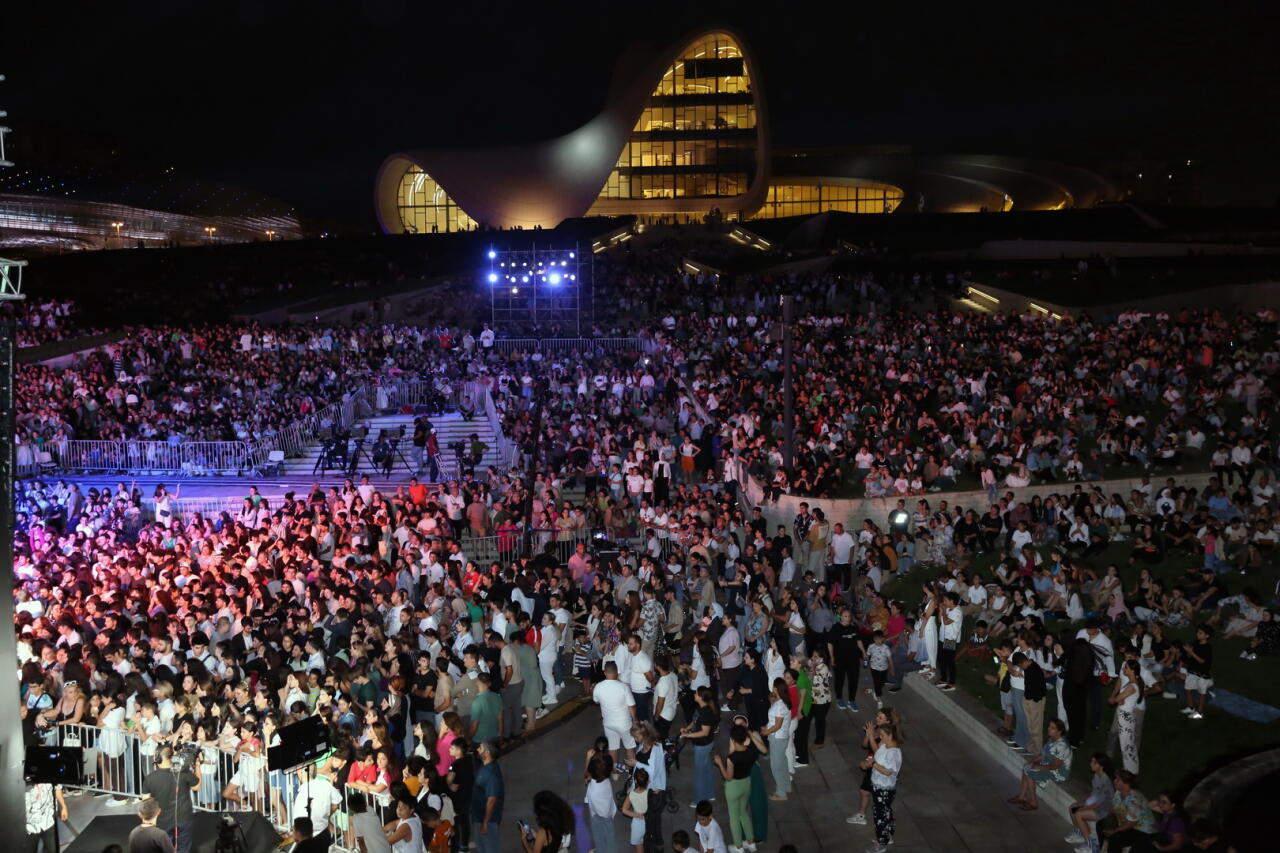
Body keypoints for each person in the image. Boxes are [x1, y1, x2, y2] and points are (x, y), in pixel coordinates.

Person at [713, 725, 766, 853]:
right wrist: (752, 735)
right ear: (745, 738)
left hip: (733, 787)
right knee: (744, 813)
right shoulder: (752, 752)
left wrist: (720, 763)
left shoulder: (732, 758)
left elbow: (728, 777)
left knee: (734, 817)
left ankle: (738, 847)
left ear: (732, 739)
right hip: (746, 783)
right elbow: (764, 750)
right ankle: (751, 843)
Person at [140, 745, 200, 853]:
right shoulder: (184, 772)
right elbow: (197, 786)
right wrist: (198, 765)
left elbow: (145, 802)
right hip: (184, 818)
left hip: (162, 821)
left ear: (157, 757)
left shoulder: (150, 778)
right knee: (184, 849)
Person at [1008, 718, 1072, 811]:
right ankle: (1022, 797)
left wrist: (1039, 767)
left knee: (1030, 772)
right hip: (1049, 764)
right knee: (1027, 767)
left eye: (1052, 728)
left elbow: (1056, 766)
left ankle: (1033, 802)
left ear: (1059, 732)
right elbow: (1043, 754)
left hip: (1059, 772)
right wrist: (1032, 761)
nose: (1049, 729)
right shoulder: (1052, 739)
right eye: (1049, 726)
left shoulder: (1062, 746)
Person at [1064, 753, 1115, 853]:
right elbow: (1094, 794)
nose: (1090, 764)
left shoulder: (1106, 781)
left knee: (1078, 813)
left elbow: (1099, 803)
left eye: (1093, 762)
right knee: (1072, 807)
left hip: (1104, 810)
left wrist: (1083, 808)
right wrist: (1083, 804)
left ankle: (1090, 846)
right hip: (1097, 805)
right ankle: (1079, 834)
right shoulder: (1097, 776)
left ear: (1101, 766)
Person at [864, 723, 902, 853]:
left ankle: (881, 843)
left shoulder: (894, 753)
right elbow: (876, 750)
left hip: (884, 789)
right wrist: (870, 735)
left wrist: (873, 764)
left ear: (890, 736)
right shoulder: (885, 745)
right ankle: (888, 835)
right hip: (879, 786)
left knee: (879, 814)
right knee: (886, 811)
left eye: (882, 735)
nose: (880, 737)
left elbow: (888, 772)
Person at [680, 686, 718, 807]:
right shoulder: (700, 708)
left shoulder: (706, 713)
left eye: (696, 693)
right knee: (706, 769)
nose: (694, 694)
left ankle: (698, 800)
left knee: (699, 773)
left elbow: (704, 732)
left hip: (703, 745)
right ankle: (710, 793)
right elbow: (695, 721)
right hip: (703, 744)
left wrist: (688, 735)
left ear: (701, 697)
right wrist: (687, 728)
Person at [593, 661, 637, 763]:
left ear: (604, 672)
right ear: (617, 672)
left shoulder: (598, 687)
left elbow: (596, 701)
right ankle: (631, 772)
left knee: (612, 747)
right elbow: (632, 706)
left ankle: (614, 772)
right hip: (624, 723)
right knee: (630, 746)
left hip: (608, 723)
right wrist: (635, 720)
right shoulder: (624, 687)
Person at [472, 741, 504, 853]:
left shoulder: (492, 774)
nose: (477, 750)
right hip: (479, 817)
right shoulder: (485, 765)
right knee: (482, 848)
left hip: (487, 821)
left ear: (487, 753)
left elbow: (492, 800)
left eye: (480, 748)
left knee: (489, 849)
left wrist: (485, 823)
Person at [585, 752, 618, 853]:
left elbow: (586, 774)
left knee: (598, 838)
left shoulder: (593, 792)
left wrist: (588, 758)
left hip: (598, 817)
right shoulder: (605, 780)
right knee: (610, 837)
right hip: (609, 813)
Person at [24, 781, 68, 853]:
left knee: (53, 850)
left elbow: (57, 787)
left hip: (48, 818)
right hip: (28, 823)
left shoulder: (50, 770)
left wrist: (63, 806)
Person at [621, 767, 650, 853]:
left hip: (638, 823)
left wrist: (637, 815)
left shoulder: (631, 794)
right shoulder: (650, 793)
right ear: (648, 781)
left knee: (638, 844)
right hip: (648, 820)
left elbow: (624, 810)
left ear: (635, 781)